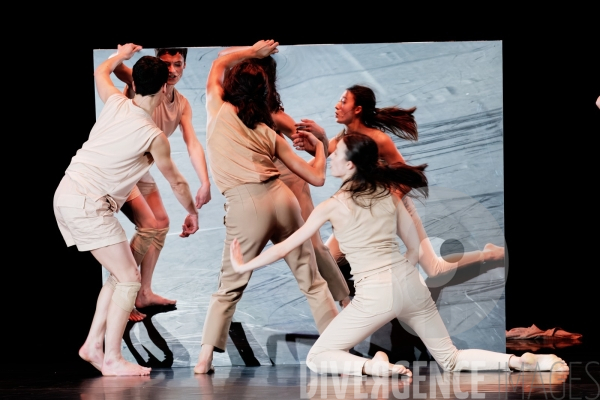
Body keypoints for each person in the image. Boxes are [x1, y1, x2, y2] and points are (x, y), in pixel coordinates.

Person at [229, 132, 569, 377]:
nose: (330, 158)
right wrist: (400, 275)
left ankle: (374, 367)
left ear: (349, 165)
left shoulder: (333, 205)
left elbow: (290, 244)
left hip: (377, 295)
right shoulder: (390, 194)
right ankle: (525, 362)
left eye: (335, 154)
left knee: (319, 358)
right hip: (412, 288)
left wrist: (243, 263)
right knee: (450, 359)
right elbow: (413, 249)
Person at [53, 44, 199, 376]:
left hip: (69, 192)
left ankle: (92, 346)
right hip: (88, 204)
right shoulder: (153, 135)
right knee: (130, 278)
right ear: (164, 87)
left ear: (134, 83)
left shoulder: (116, 102)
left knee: (121, 274)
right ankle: (111, 358)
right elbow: (177, 182)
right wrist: (192, 212)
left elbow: (101, 72)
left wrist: (120, 53)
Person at [194, 40, 338, 374]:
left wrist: (252, 52)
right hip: (283, 200)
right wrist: (318, 147)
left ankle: (203, 362)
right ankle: (336, 348)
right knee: (313, 282)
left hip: (247, 206)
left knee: (229, 286)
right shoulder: (268, 132)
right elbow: (317, 177)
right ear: (263, 94)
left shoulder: (217, 108)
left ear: (230, 86)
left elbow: (217, 66)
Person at [294, 84, 505, 285]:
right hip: (367, 210)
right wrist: (316, 141)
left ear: (357, 109)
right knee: (327, 262)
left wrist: (387, 205)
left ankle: (493, 254)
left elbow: (408, 177)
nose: (337, 105)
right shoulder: (346, 137)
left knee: (435, 270)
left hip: (397, 207)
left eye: (343, 101)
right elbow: (324, 157)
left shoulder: (379, 139)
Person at [215, 48, 351, 306]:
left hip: (287, 182)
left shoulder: (273, 115)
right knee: (239, 248)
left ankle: (344, 301)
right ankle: (225, 301)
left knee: (312, 244)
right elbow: (223, 55)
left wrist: (321, 138)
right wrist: (253, 50)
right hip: (257, 186)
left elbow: (316, 150)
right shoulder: (232, 107)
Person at [113, 47, 212, 322]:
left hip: (140, 170)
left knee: (162, 221)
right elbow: (113, 68)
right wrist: (121, 54)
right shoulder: (141, 83)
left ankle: (143, 292)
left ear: (184, 65)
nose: (172, 71)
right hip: (120, 170)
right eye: (165, 64)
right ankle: (120, 296)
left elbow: (192, 143)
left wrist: (205, 181)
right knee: (148, 226)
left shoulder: (181, 103)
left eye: (177, 64)